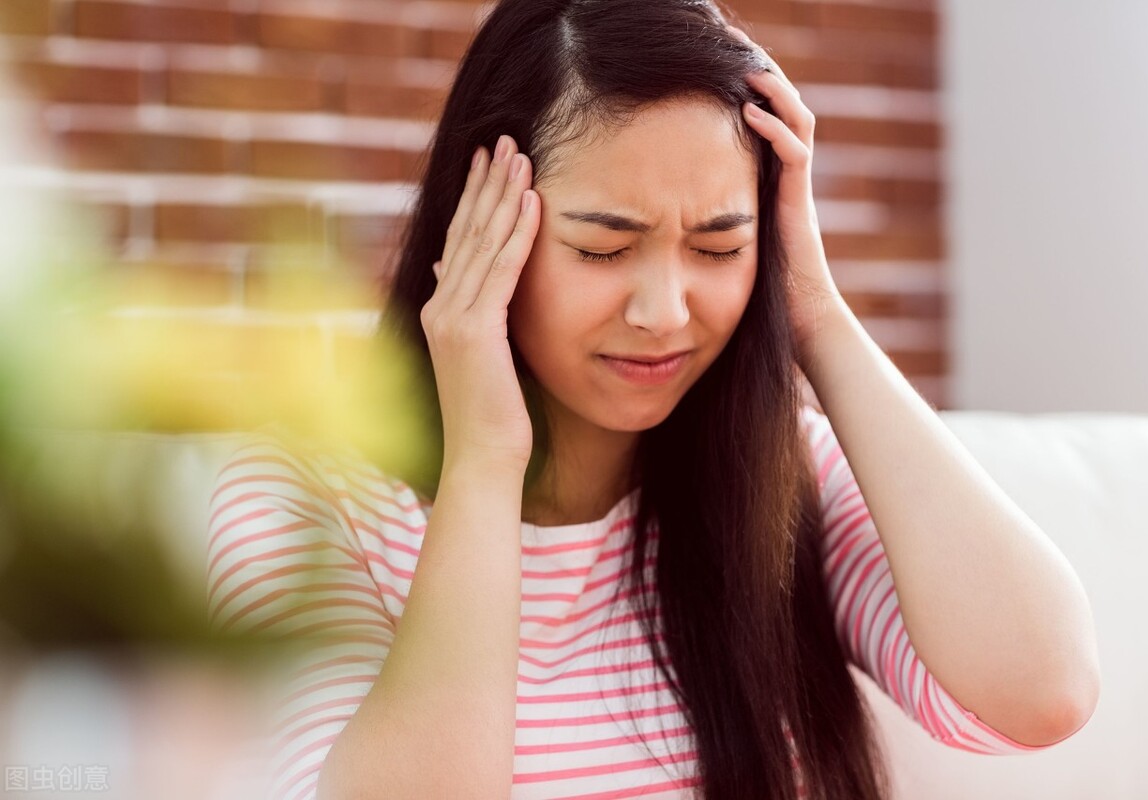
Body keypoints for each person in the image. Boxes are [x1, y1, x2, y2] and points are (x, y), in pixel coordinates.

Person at [206, 1, 1096, 798]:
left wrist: (814, 312)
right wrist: (484, 460)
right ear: (479, 232)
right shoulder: (302, 503)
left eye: (717, 247)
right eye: (603, 248)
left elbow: (1044, 694)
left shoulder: (785, 474)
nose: (665, 313)